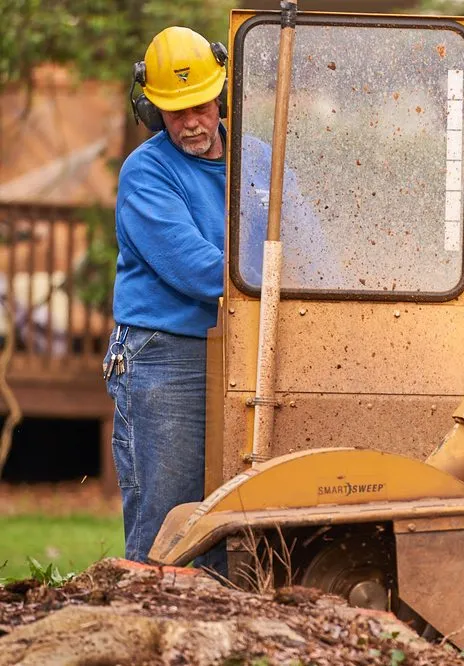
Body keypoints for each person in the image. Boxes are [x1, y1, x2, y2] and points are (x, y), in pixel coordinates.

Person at [104, 25, 230, 572]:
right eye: (174, 112)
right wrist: (274, 277)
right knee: (171, 524)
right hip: (165, 353)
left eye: (199, 106)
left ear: (221, 96)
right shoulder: (147, 172)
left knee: (238, 518)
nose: (191, 123)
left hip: (244, 344)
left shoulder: (259, 161)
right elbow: (199, 270)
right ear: (152, 110)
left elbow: (308, 245)